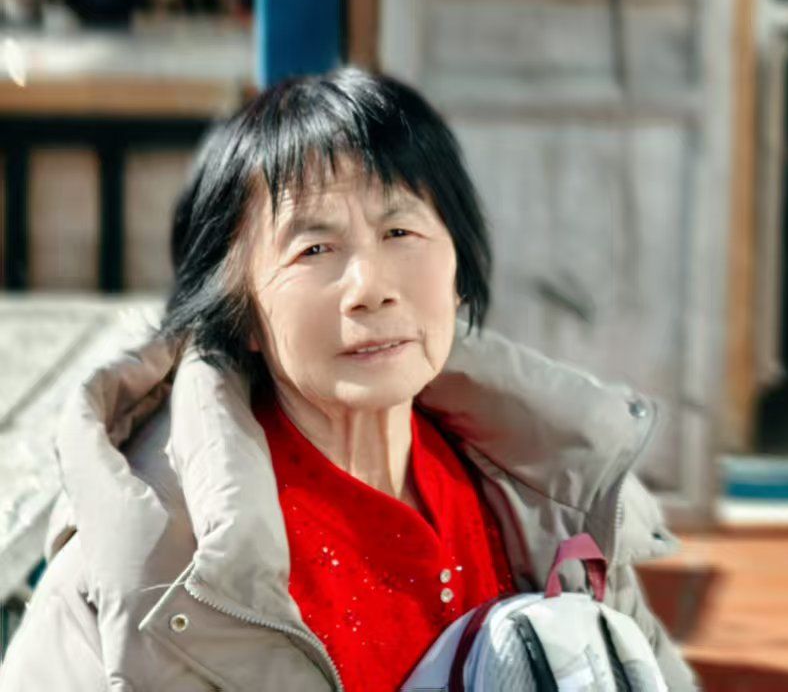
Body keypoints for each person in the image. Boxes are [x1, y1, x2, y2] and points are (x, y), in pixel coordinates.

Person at [0, 68, 696, 690]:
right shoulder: (155, 569)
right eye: (315, 248)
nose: (370, 288)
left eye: (399, 233)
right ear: (241, 313)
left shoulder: (550, 491)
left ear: (457, 270)